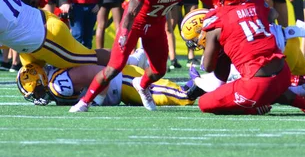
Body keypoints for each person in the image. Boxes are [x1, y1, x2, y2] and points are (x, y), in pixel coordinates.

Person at [69, 0, 214, 113]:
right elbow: (131, 10)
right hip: (135, 24)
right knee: (114, 68)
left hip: (157, 24)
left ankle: (142, 84)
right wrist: (123, 33)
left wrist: (218, 5)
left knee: (159, 70)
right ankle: (84, 102)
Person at [197, 0, 291, 115]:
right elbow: (273, 13)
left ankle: (251, 108)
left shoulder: (217, 17)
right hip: (283, 70)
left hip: (255, 80)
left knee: (204, 103)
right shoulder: (257, 4)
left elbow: (208, 66)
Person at [17, 60, 197, 107]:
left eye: (39, 92)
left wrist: (97, 101)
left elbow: (98, 73)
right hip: (118, 87)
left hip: (119, 80)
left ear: (42, 79)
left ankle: (199, 86)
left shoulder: (58, 83)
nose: (40, 97)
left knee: (178, 97)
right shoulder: (55, 80)